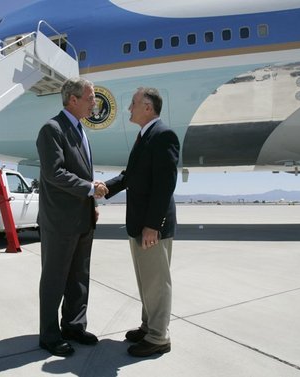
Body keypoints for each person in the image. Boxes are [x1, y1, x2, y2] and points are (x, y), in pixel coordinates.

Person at [105, 87, 180, 357]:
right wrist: (105, 188)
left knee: (157, 283)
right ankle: (149, 326)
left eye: (133, 104)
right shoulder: (144, 137)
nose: (129, 109)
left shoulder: (163, 136)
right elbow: (130, 176)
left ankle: (159, 337)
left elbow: (165, 184)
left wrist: (153, 224)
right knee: (146, 281)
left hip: (152, 227)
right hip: (141, 224)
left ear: (147, 107)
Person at [36, 77, 108, 357]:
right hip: (60, 221)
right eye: (90, 97)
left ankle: (74, 326)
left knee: (79, 276)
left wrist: (91, 202)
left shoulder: (80, 130)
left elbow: (79, 173)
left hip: (82, 217)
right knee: (55, 278)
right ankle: (49, 335)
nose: (94, 103)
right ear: (73, 99)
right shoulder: (52, 129)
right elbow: (54, 173)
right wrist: (90, 189)